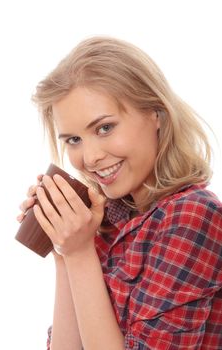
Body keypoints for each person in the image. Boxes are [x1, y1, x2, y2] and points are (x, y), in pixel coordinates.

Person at [17, 36, 222, 349]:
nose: (90, 158)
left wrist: (79, 253)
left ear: (156, 113)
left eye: (104, 128)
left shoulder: (192, 215)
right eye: (73, 140)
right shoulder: (105, 221)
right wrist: (64, 250)